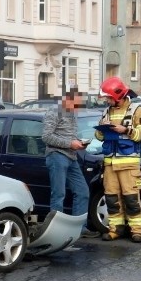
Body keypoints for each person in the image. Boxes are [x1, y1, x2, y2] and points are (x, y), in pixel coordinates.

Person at [95, 76, 141, 243]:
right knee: (112, 199)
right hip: (110, 164)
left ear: (117, 95)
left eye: (109, 97)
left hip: (128, 165)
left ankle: (137, 230)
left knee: (131, 199)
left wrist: (125, 130)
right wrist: (101, 131)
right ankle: (115, 229)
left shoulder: (136, 110)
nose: (107, 100)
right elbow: (98, 135)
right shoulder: (107, 111)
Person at [41, 91, 93, 235]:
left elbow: (69, 134)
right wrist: (70, 143)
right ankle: (56, 231)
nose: (78, 107)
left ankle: (79, 229)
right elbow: (46, 137)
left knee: (83, 192)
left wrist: (80, 142)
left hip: (72, 157)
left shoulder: (72, 114)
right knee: (58, 195)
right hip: (57, 156)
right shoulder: (54, 112)